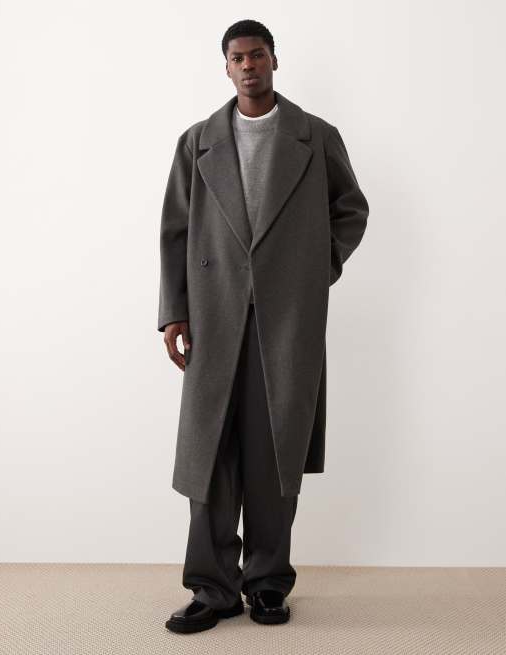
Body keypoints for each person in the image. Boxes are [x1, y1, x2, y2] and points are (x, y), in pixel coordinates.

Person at [158, 19, 369, 634]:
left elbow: (350, 209)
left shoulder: (316, 136)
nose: (248, 65)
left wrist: (315, 269)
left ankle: (268, 584)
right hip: (214, 315)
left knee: (275, 454)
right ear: (226, 67)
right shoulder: (197, 142)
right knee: (210, 455)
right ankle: (212, 588)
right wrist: (174, 311)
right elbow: (175, 230)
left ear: (275, 60)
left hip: (286, 319)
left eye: (257, 55)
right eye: (237, 58)